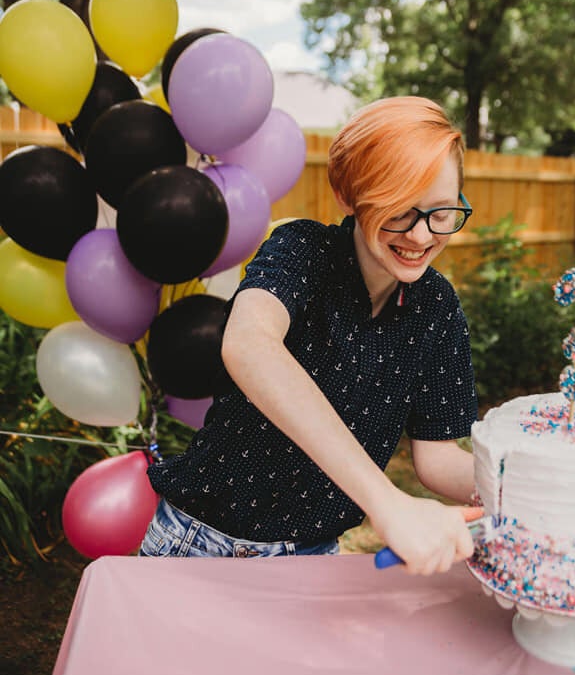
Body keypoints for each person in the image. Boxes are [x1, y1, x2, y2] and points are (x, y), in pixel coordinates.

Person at [141, 95, 478, 574]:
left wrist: (525, 485)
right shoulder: (303, 251)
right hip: (197, 544)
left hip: (311, 557)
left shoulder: (438, 308)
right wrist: (388, 504)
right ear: (348, 196)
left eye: (442, 213)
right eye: (399, 211)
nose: (422, 237)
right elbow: (250, 345)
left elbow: (438, 456)